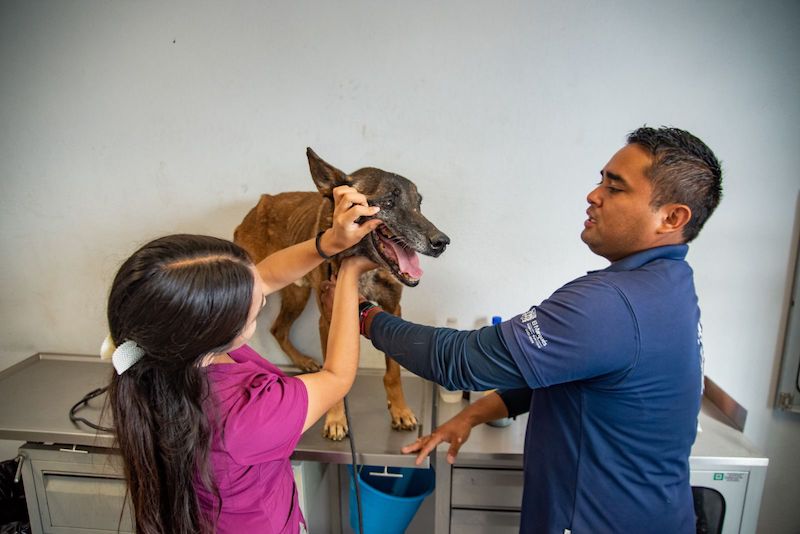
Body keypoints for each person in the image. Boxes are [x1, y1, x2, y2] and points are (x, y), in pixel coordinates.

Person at [356, 127, 723, 533]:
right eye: (600, 179)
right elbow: (570, 372)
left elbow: (458, 361)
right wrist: (472, 415)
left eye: (615, 188)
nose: (593, 195)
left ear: (672, 217)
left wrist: (362, 314)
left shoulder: (612, 303)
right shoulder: (669, 285)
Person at [104, 186, 381, 534]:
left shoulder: (162, 351)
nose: (263, 297)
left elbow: (263, 277)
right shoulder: (246, 414)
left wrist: (330, 243)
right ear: (217, 327)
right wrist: (350, 274)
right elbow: (338, 377)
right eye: (254, 309)